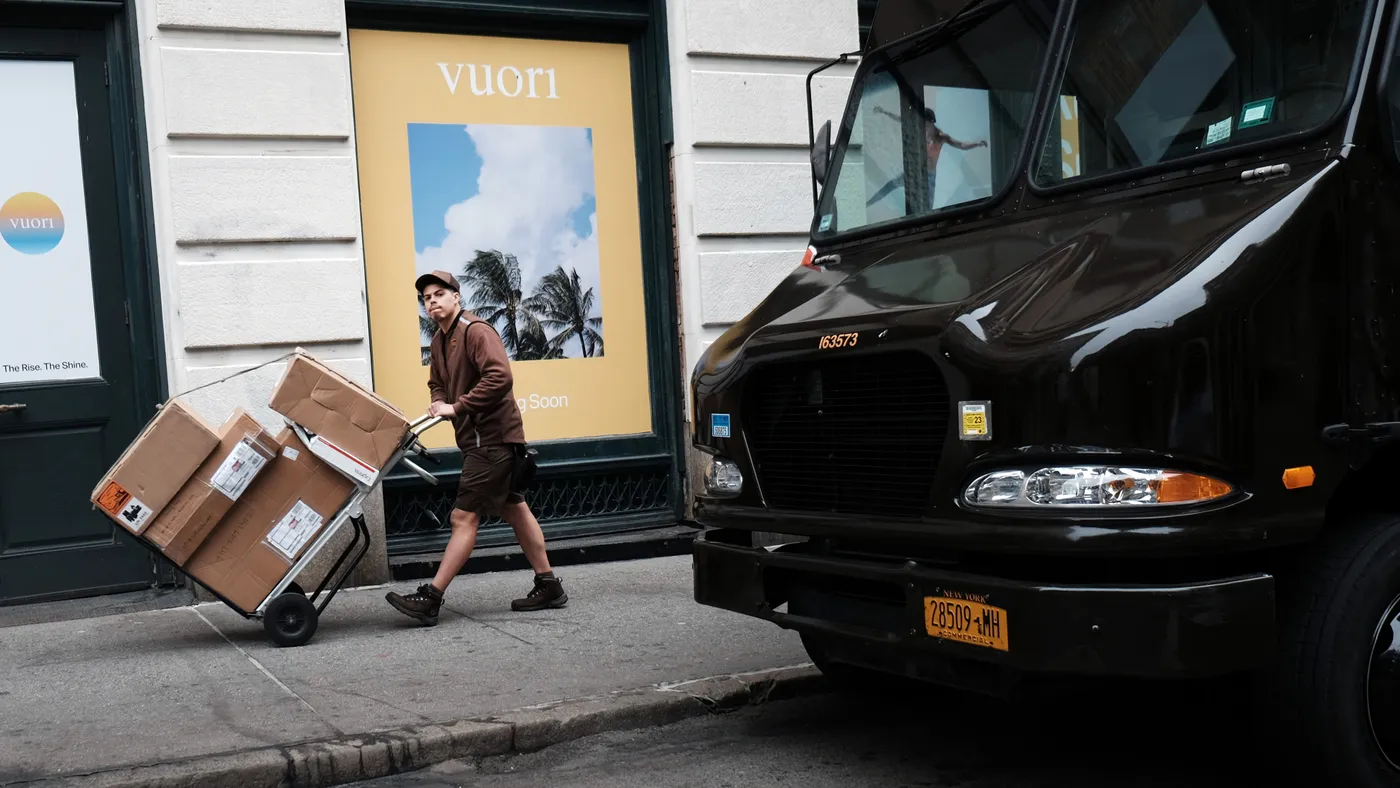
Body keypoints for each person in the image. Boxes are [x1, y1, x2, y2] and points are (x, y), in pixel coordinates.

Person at [385, 269, 568, 626]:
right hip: (478, 440)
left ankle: (431, 598)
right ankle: (549, 585)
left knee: (462, 517)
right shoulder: (439, 340)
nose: (433, 301)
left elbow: (500, 377)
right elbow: (437, 382)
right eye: (427, 298)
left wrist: (457, 407)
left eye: (440, 293)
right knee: (515, 508)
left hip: (493, 439)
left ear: (457, 296)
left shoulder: (476, 331)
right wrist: (439, 401)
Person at [866, 104, 987, 207]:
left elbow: (961, 145)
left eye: (924, 123)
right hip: (915, 171)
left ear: (930, 122)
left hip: (929, 176)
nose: (921, 125)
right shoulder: (920, 130)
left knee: (928, 206)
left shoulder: (941, 137)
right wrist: (884, 112)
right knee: (890, 185)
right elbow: (902, 120)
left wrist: (977, 144)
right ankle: (869, 203)